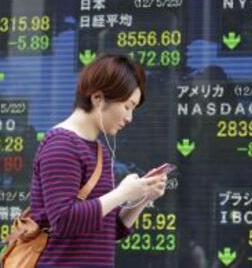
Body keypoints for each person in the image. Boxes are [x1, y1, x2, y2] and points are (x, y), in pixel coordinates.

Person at [30, 53, 167, 267]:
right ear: (98, 98)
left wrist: (142, 198)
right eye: (127, 106)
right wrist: (122, 193)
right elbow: (64, 220)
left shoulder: (99, 150)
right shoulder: (62, 145)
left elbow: (109, 231)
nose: (129, 118)